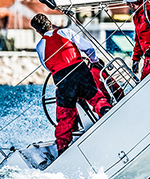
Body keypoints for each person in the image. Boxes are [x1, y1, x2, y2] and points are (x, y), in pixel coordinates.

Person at [30, 14, 111, 154]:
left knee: (65, 114)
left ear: (37, 31)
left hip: (62, 81)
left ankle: (62, 147)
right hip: (80, 72)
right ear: (50, 23)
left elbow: (47, 66)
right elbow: (89, 48)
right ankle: (105, 111)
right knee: (95, 96)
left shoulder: (40, 46)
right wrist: (93, 60)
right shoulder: (65, 32)